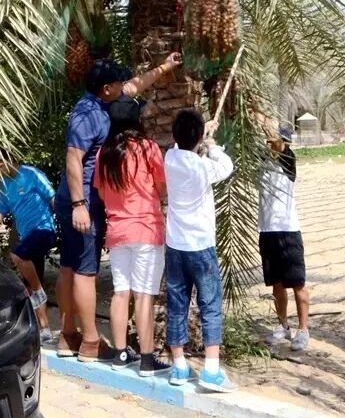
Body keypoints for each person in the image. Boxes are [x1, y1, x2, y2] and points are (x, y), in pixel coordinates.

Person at [56, 54, 182, 363]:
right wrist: (80, 205)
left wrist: (165, 67)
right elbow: (73, 157)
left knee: (69, 265)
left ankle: (67, 337)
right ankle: (89, 342)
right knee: (84, 269)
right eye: (118, 83)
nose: (124, 85)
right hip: (82, 201)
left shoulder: (105, 101)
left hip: (81, 199)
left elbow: (135, 86)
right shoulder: (86, 115)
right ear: (106, 88)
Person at [92, 97, 172, 376]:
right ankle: (148, 360)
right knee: (143, 296)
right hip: (146, 229)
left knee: (120, 292)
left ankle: (121, 354)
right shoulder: (148, 147)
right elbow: (162, 188)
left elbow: (102, 193)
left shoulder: (105, 153)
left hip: (117, 231)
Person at [164, 109, 235, 392]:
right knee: (210, 305)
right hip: (201, 247)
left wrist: (200, 133)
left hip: (175, 246)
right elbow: (226, 165)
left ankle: (179, 366)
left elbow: (181, 143)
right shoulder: (203, 166)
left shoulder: (169, 159)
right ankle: (211, 370)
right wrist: (211, 144)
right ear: (198, 138)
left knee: (177, 304)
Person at [0, 151, 57, 343]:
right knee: (30, 282)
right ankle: (44, 329)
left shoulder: (31, 174)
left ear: (12, 160)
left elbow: (53, 197)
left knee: (18, 255)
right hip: (27, 236)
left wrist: (66, 222)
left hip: (44, 229)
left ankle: (39, 291)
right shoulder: (5, 185)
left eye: (1, 165)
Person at [260, 125, 310, 352]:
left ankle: (303, 330)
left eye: (274, 141)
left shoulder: (288, 160)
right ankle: (283, 326)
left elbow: (279, 145)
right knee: (277, 285)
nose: (269, 144)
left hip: (288, 231)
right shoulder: (261, 160)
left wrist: (260, 116)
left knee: (297, 284)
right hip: (267, 231)